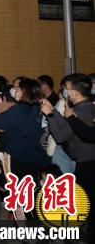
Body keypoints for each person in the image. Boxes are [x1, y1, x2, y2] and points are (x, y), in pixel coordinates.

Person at [41, 73, 95, 235]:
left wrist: (50, 115)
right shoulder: (82, 107)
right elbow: (67, 125)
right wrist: (53, 112)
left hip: (88, 162)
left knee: (87, 201)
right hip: (83, 161)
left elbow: (60, 135)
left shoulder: (83, 111)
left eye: (67, 88)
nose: (65, 91)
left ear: (75, 92)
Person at [0, 77, 49, 220]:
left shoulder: (19, 109)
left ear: (25, 91)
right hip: (35, 155)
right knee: (31, 191)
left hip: (16, 155)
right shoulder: (38, 108)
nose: (14, 91)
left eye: (17, 89)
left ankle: (24, 229)